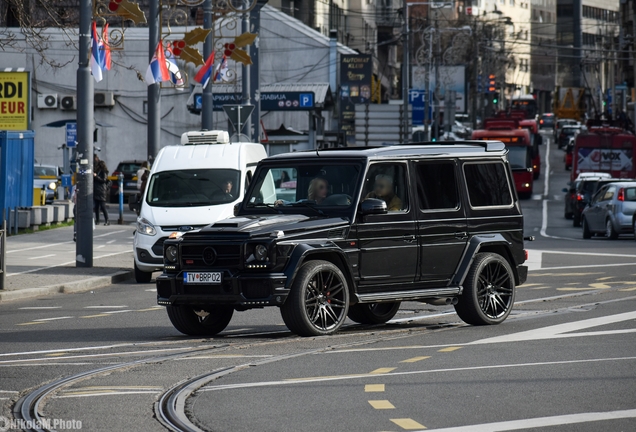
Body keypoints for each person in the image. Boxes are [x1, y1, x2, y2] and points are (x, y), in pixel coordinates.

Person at [93, 160, 110, 225]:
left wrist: (96, 176)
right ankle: (97, 220)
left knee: (103, 206)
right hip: (97, 190)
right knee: (96, 207)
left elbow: (103, 180)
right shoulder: (98, 171)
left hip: (101, 191)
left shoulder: (103, 172)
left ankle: (107, 220)